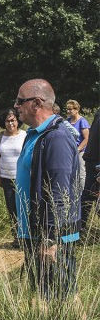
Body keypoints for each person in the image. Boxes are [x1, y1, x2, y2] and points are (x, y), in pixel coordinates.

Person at [13, 79, 81, 301]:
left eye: (20, 101)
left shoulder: (57, 137)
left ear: (36, 104)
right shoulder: (35, 134)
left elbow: (60, 193)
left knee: (63, 296)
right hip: (35, 231)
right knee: (44, 294)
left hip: (51, 236)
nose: (15, 106)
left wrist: (51, 240)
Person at [0, 107, 26, 247]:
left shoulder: (24, 135)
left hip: (23, 178)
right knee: (11, 208)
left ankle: (27, 236)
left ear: (18, 121)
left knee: (23, 208)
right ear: (3, 122)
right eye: (7, 121)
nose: (11, 124)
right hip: (6, 178)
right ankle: (17, 237)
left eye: (13, 120)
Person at [81, 108, 99, 236]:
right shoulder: (98, 113)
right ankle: (78, 232)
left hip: (97, 164)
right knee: (86, 199)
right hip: (91, 161)